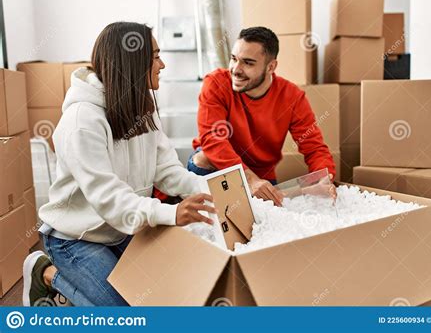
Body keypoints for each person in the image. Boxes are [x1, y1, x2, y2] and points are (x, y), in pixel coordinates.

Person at [22, 22, 216, 307]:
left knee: (164, 295)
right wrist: (172, 213)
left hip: (121, 230)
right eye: (156, 56)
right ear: (132, 61)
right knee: (124, 313)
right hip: (76, 237)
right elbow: (110, 199)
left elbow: (167, 171)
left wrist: (215, 190)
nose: (162, 65)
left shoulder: (140, 108)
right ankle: (46, 274)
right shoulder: (82, 122)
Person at [188, 27, 336, 206]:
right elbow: (213, 141)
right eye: (234, 59)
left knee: (276, 209)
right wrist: (248, 179)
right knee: (202, 158)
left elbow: (314, 147)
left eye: (248, 63)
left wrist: (324, 177)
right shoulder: (216, 83)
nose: (236, 69)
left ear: (271, 67)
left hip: (262, 178)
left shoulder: (292, 97)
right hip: (221, 169)